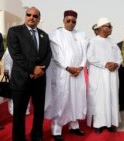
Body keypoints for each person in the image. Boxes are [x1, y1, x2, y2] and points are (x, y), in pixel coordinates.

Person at [7, 7, 51, 141]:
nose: (32, 17)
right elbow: (16, 55)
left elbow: (48, 55)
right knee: (19, 113)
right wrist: (33, 69)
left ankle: (37, 135)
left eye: (35, 16)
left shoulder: (44, 35)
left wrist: (41, 70)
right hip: (21, 80)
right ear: (25, 16)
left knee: (39, 111)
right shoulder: (15, 31)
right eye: (29, 15)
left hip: (39, 80)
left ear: (38, 18)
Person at [44, 10, 87, 141]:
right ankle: (56, 129)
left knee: (76, 100)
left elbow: (85, 53)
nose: (71, 23)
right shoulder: (55, 35)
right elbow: (55, 55)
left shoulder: (81, 35)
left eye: (73, 21)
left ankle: (74, 126)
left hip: (77, 74)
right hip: (63, 73)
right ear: (63, 20)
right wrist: (68, 67)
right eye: (68, 20)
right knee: (62, 100)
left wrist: (80, 67)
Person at [87, 17, 122, 134]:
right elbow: (90, 57)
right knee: (99, 100)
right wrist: (104, 64)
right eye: (109, 26)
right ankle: (99, 124)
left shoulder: (112, 41)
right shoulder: (93, 41)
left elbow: (119, 56)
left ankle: (112, 122)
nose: (111, 28)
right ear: (101, 28)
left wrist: (116, 63)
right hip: (99, 76)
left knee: (112, 98)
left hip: (112, 76)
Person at [2, 48, 31, 116]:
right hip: (13, 75)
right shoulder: (9, 49)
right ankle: (13, 110)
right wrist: (7, 76)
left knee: (26, 92)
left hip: (25, 74)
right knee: (13, 94)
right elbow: (7, 63)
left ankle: (26, 109)